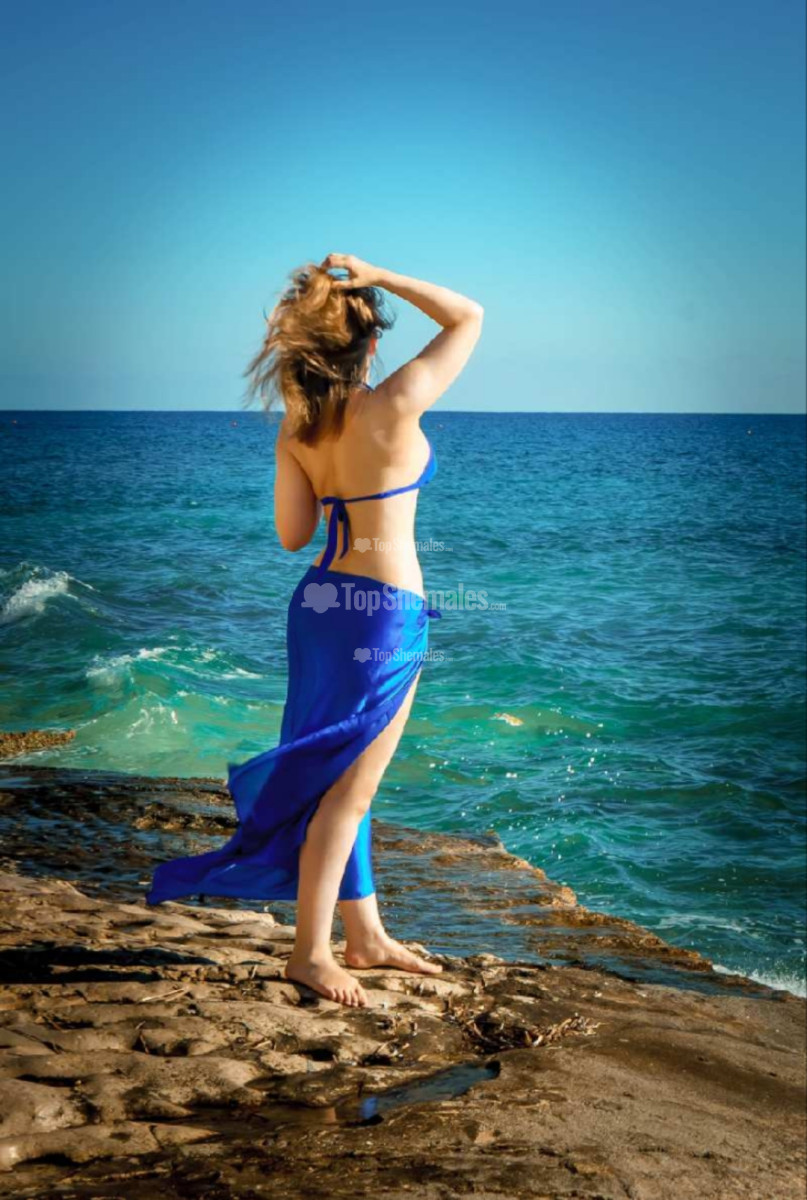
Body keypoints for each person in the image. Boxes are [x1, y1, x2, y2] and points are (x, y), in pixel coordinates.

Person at [146, 254, 484, 1008]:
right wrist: (380, 275)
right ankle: (309, 953)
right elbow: (468, 316)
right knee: (349, 790)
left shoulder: (297, 431)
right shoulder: (394, 404)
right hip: (383, 612)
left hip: (319, 605)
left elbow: (292, 535)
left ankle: (365, 936)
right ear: (369, 344)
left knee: (339, 772)